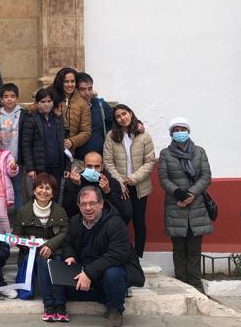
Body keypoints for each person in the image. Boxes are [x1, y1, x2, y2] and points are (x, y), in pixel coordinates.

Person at [51, 185, 145, 327]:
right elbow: (67, 243)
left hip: (110, 268)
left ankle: (116, 309)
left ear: (101, 204)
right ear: (78, 206)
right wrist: (69, 256)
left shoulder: (115, 222)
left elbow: (117, 254)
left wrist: (89, 273)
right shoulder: (76, 221)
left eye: (92, 203)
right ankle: (105, 296)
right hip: (87, 270)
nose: (88, 208)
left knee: (112, 274)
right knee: (67, 284)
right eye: (83, 204)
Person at [157, 117, 213, 293]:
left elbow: (206, 176)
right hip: (176, 205)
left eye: (182, 129)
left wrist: (191, 194)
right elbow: (163, 178)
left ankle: (196, 286)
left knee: (195, 249)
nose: (179, 133)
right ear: (171, 134)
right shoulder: (165, 154)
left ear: (188, 131)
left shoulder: (199, 152)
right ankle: (182, 284)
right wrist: (178, 193)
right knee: (179, 248)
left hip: (196, 205)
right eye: (176, 130)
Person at [13, 173, 70, 319]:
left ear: (53, 193)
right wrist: (16, 240)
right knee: (43, 260)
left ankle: (61, 306)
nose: (44, 191)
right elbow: (17, 235)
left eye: (48, 188)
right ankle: (49, 305)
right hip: (32, 255)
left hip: (55, 251)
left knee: (56, 262)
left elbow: (65, 231)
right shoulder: (23, 211)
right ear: (33, 190)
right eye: (40, 187)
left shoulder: (60, 211)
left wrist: (50, 245)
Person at [103, 104, 156, 258]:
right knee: (119, 220)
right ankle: (117, 253)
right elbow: (108, 162)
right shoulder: (112, 136)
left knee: (139, 221)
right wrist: (120, 183)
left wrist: (133, 178)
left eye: (124, 114)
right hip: (120, 187)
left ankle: (139, 256)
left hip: (140, 186)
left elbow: (150, 161)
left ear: (131, 114)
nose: (122, 118)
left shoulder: (143, 135)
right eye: (118, 116)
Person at [61, 151, 131, 222]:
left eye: (97, 167)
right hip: (82, 223)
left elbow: (121, 213)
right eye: (89, 166)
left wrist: (108, 192)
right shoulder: (74, 180)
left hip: (104, 224)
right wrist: (75, 186)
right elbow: (68, 212)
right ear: (84, 166)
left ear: (102, 167)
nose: (93, 170)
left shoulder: (112, 182)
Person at [21, 87, 67, 187]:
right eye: (43, 101)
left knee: (55, 194)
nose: (46, 104)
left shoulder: (58, 119)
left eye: (49, 101)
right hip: (40, 167)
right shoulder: (31, 120)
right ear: (37, 104)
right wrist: (30, 168)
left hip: (57, 166)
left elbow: (64, 145)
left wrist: (66, 167)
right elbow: (26, 145)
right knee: (41, 194)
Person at [0, 82, 26, 206]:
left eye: (12, 96)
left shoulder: (23, 114)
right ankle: (2, 218)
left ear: (17, 98)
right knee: (1, 190)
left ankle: (18, 219)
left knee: (17, 189)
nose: (9, 99)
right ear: (1, 99)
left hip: (16, 160)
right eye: (6, 96)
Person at [52, 67, 91, 156]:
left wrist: (72, 142)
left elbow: (86, 131)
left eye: (72, 81)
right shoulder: (51, 96)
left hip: (70, 153)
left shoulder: (82, 103)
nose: (70, 84)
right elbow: (37, 106)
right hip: (50, 148)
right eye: (66, 81)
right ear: (60, 82)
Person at [74, 73, 114, 160]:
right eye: (82, 89)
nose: (87, 93)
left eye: (90, 89)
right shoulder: (70, 108)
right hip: (77, 161)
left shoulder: (100, 105)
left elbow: (117, 118)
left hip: (98, 162)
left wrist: (137, 123)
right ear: (75, 90)